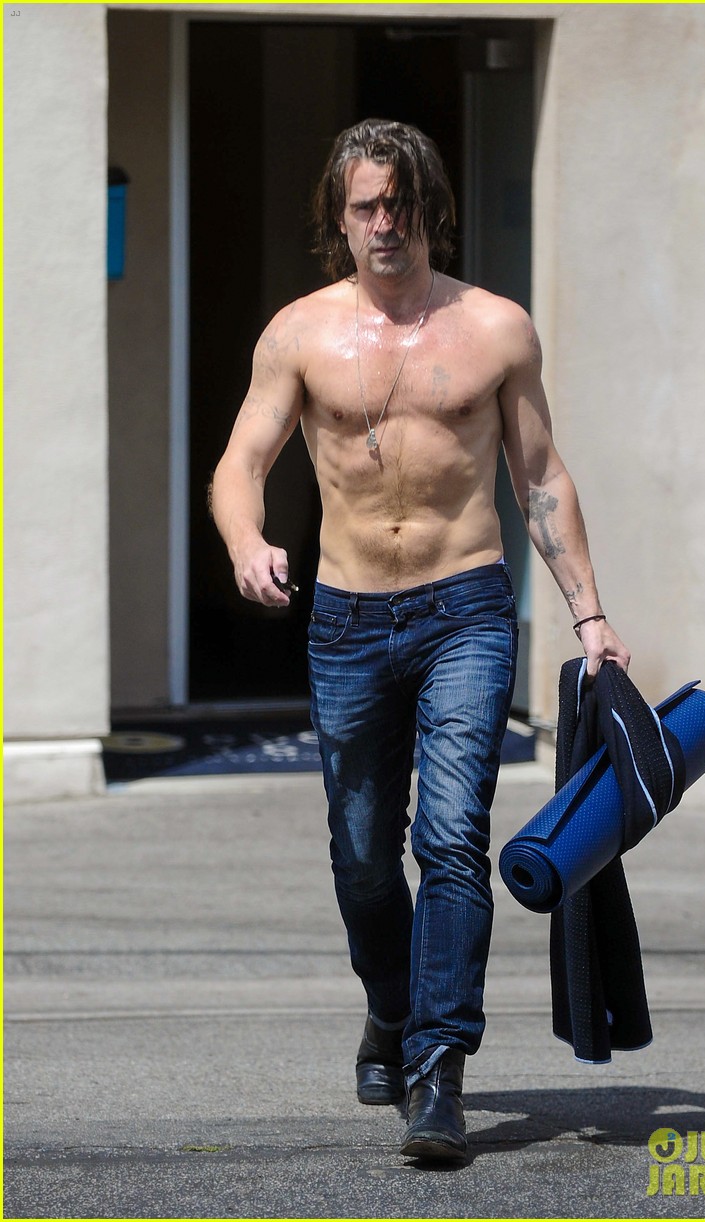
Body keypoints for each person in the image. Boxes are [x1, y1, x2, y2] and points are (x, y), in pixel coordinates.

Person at [211, 118, 630, 1164]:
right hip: (347, 618)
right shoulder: (299, 333)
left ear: (428, 208)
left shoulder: (493, 328)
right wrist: (246, 542)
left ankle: (437, 1067)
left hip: (464, 610)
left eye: (399, 203)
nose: (384, 223)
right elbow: (240, 463)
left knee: (449, 839)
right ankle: (392, 1010)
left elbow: (539, 477)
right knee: (361, 856)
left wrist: (588, 613)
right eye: (365, 206)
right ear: (340, 216)